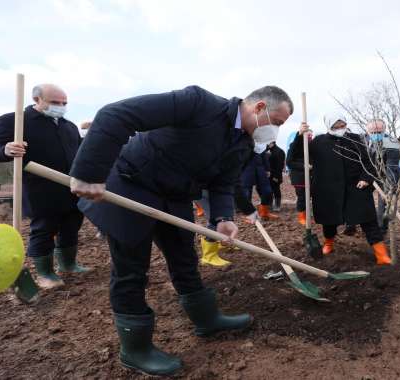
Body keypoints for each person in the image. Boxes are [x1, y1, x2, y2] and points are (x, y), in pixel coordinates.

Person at [68, 85, 293, 376]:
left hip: (174, 196)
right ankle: (135, 349)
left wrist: (223, 217)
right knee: (131, 268)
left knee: (184, 259)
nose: (274, 131)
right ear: (259, 107)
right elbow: (115, 114)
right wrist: (89, 172)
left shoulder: (242, 143)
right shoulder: (198, 104)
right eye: (276, 122)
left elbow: (222, 183)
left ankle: (207, 319)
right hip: (131, 186)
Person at [0, 84, 89, 290]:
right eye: (55, 103)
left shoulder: (68, 126)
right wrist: (6, 149)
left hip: (71, 186)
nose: (60, 107)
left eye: (64, 103)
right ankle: (45, 273)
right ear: (37, 100)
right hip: (40, 188)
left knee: (71, 225)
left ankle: (68, 264)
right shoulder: (15, 121)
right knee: (44, 229)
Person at [288, 114, 391, 265]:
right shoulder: (318, 142)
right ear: (329, 127)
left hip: (356, 188)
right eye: (336, 127)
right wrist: (299, 136)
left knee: (368, 220)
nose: (340, 129)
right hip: (327, 190)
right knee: (329, 222)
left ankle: (382, 255)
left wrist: (365, 179)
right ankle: (329, 243)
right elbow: (292, 158)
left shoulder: (355, 139)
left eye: (342, 126)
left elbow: (368, 162)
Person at [366, 119, 400, 233]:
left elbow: (392, 166)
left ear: (384, 130)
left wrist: (389, 186)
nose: (376, 134)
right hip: (370, 174)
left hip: (387, 174)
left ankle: (382, 226)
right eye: (373, 132)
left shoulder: (392, 142)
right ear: (368, 131)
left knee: (385, 201)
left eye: (379, 131)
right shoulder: (364, 140)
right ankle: (360, 222)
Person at [241, 144, 279, 220]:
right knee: (246, 192)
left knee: (267, 191)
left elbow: (263, 153)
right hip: (246, 168)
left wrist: (267, 168)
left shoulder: (259, 140)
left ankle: (264, 212)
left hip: (260, 168)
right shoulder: (241, 139)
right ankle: (248, 214)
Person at [267, 141, 286, 211]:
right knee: (269, 190)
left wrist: (276, 176)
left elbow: (280, 166)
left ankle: (277, 205)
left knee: (276, 189)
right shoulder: (267, 151)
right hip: (269, 175)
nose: (267, 144)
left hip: (276, 175)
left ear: (272, 143)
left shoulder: (279, 151)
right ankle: (270, 204)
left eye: (268, 143)